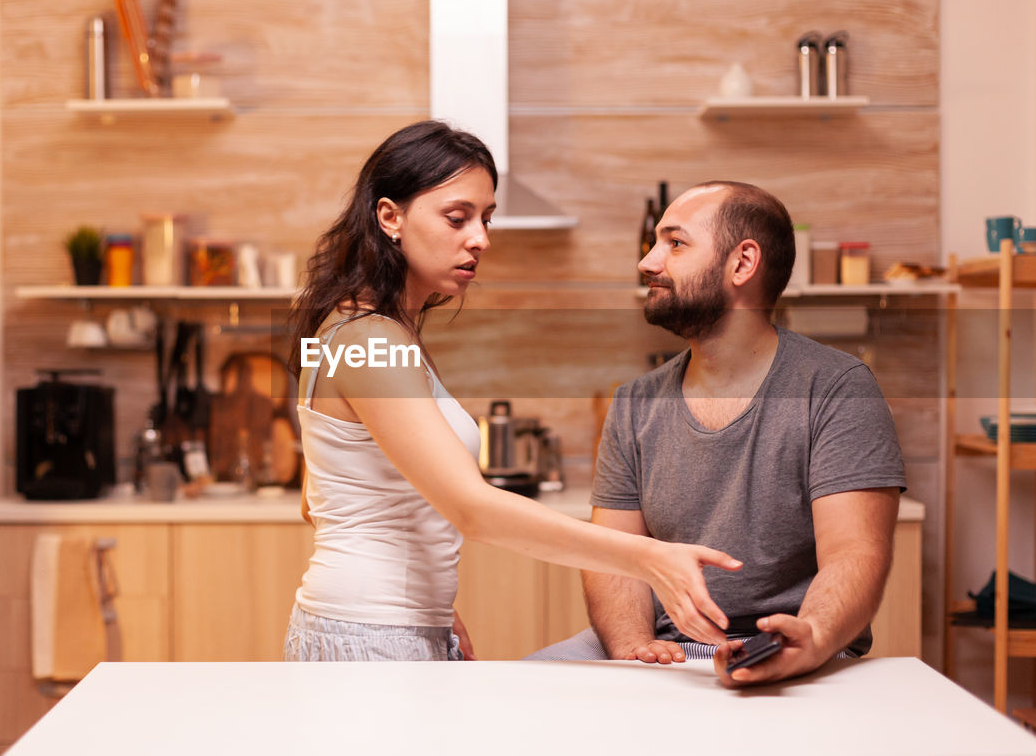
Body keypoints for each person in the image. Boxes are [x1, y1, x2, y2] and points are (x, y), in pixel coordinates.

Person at [283, 122, 743, 662]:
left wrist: (430, 605)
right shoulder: (370, 338)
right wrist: (647, 557)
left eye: (486, 218)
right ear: (390, 217)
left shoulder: (364, 330)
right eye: (457, 218)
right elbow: (471, 509)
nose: (480, 238)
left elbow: (319, 500)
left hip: (377, 624)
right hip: (369, 639)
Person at [528, 181, 905, 687]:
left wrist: (810, 638)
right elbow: (612, 555)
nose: (648, 262)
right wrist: (633, 649)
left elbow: (854, 554)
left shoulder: (837, 389)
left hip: (792, 648)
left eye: (675, 243)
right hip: (665, 649)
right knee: (526, 688)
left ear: (742, 263)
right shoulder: (634, 403)